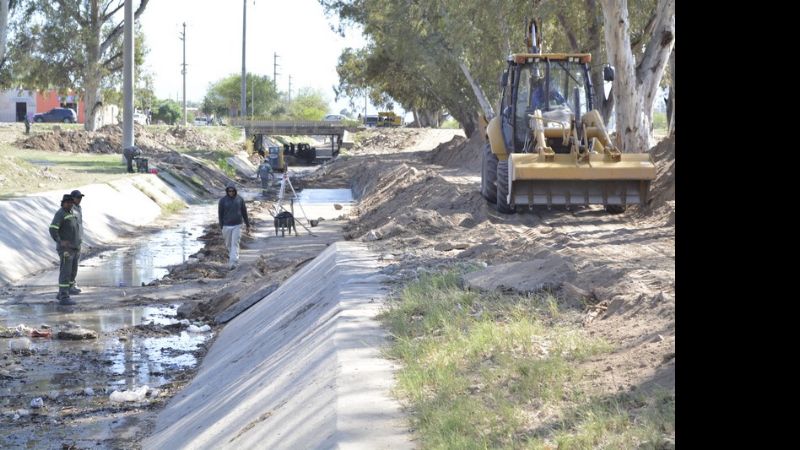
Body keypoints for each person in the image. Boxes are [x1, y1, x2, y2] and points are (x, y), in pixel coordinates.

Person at [49, 194, 80, 305]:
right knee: (65, 272)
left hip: (74, 248)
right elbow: (53, 229)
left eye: (71, 202)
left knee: (72, 271)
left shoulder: (71, 213)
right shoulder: (60, 213)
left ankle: (62, 292)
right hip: (66, 249)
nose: (70, 204)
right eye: (68, 202)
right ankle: (64, 297)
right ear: (63, 203)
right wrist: (60, 241)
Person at [218, 183, 250, 269]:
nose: (231, 192)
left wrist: (247, 225)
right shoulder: (222, 201)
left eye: (232, 191)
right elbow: (220, 214)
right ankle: (233, 258)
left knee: (235, 244)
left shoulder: (240, 199)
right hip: (226, 225)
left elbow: (244, 212)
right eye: (229, 191)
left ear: (235, 191)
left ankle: (233, 263)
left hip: (237, 225)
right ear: (227, 191)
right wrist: (221, 226)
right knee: (229, 245)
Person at [69, 190, 85, 295]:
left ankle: (72, 285)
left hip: (77, 242)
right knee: (68, 267)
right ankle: (67, 288)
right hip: (70, 244)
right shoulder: (69, 209)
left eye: (80, 197)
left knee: (74, 266)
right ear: (72, 198)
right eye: (78, 197)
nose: (80, 199)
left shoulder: (79, 209)